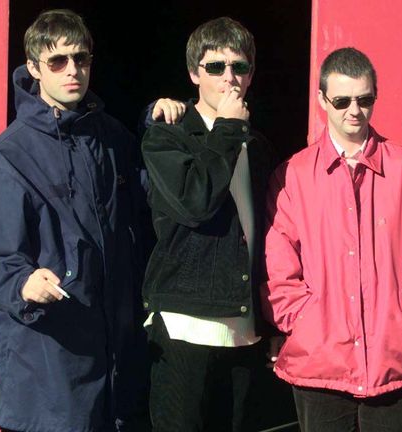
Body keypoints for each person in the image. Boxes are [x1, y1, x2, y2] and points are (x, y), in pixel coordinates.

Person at [0, 9, 151, 431]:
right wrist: (23, 283)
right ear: (33, 67)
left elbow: (151, 215)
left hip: (116, 359)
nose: (73, 70)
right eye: (58, 61)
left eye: (82, 59)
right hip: (48, 360)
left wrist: (163, 128)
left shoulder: (112, 137)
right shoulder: (8, 155)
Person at [262, 47, 402, 432]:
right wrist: (303, 322)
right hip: (319, 364)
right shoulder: (292, 175)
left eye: (364, 99)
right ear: (322, 100)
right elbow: (278, 269)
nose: (354, 110)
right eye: (342, 100)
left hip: (392, 361)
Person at [141, 16, 277, 431]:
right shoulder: (167, 136)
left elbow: (268, 235)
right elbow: (195, 202)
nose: (229, 78)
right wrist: (229, 128)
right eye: (216, 68)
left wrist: (271, 321)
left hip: (244, 328)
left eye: (239, 67)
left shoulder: (258, 146)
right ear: (194, 74)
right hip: (186, 324)